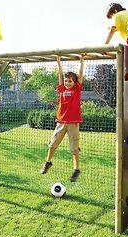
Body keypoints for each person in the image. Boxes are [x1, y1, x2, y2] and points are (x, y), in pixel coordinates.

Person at [40, 54, 85, 182]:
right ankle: (48, 162)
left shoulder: (77, 89)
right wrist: (58, 61)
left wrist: (82, 61)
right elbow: (60, 74)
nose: (67, 82)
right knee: (52, 144)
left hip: (73, 123)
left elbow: (81, 74)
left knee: (74, 148)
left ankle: (76, 169)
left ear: (74, 82)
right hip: (61, 122)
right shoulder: (61, 89)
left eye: (70, 81)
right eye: (66, 81)